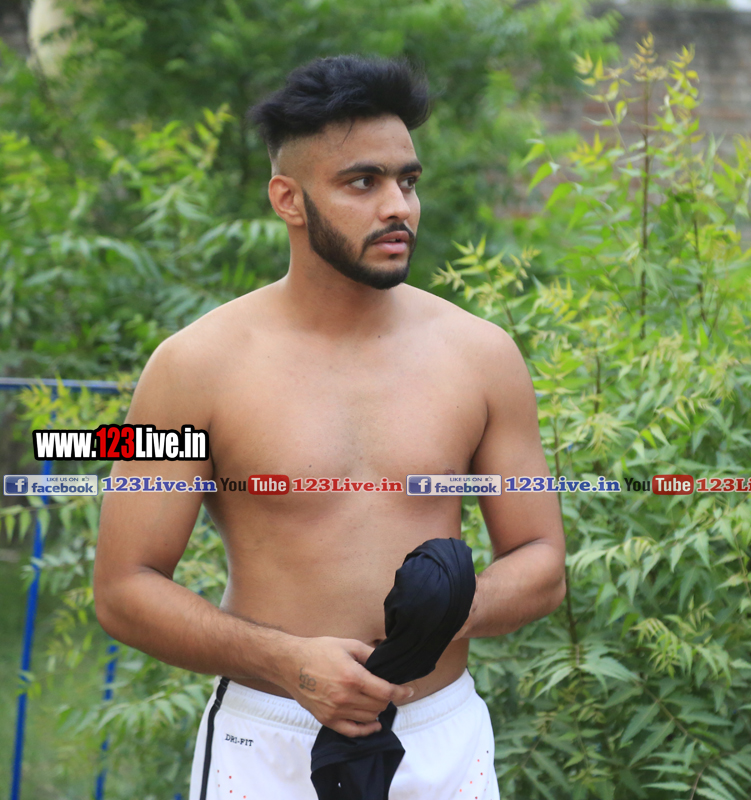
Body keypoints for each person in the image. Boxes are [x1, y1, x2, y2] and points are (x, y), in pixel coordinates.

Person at [93, 55, 566, 800]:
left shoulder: (483, 357)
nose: (398, 207)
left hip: (442, 738)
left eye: (408, 181)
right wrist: (288, 664)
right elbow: (124, 588)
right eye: (362, 182)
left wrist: (447, 611)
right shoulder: (191, 368)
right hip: (269, 741)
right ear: (288, 198)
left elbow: (542, 561)